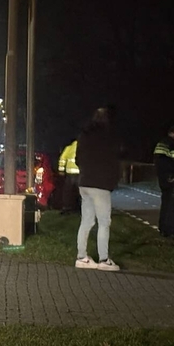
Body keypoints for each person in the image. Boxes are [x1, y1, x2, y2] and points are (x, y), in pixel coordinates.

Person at [74, 106, 121, 271]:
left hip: (85, 182)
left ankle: (82, 257)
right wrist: (113, 180)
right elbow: (114, 161)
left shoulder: (84, 135)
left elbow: (77, 158)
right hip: (101, 184)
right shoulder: (109, 137)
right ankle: (104, 259)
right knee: (104, 222)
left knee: (86, 221)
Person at [57, 138, 80, 214]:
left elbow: (62, 158)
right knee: (80, 192)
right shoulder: (83, 147)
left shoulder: (69, 148)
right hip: (80, 174)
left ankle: (66, 208)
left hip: (70, 174)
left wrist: (61, 170)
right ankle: (78, 208)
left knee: (68, 191)